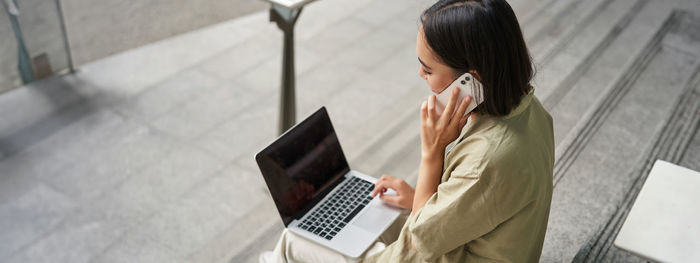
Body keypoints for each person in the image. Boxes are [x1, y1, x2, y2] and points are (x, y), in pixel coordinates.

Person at [260, 0, 554, 262]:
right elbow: (475, 206)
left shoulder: (485, 160)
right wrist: (417, 199)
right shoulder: (533, 111)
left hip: (442, 250)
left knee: (295, 239)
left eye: (427, 70)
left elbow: (421, 239)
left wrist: (431, 154)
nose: (420, 75)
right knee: (375, 209)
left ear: (470, 81)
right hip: (470, 244)